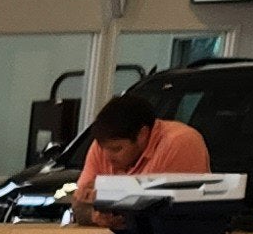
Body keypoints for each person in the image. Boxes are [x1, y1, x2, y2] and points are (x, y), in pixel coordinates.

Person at [69, 89, 211, 216]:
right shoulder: (104, 145)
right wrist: (97, 217)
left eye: (117, 149)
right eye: (103, 148)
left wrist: (105, 193)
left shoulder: (180, 142)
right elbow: (79, 205)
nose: (107, 157)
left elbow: (160, 209)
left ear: (142, 135)